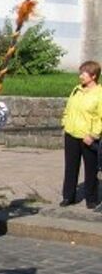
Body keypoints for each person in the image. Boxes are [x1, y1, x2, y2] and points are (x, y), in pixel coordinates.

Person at [60, 60, 102, 209]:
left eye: (84, 73)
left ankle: (91, 198)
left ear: (93, 75)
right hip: (71, 133)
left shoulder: (99, 93)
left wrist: (93, 135)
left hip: (87, 137)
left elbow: (100, 118)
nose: (80, 76)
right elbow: (68, 109)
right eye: (80, 73)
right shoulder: (76, 90)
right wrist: (65, 122)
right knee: (70, 167)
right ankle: (68, 196)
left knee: (91, 169)